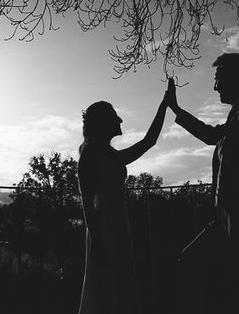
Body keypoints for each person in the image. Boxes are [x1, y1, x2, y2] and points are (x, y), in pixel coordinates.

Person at [165, 53, 239, 313]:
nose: (214, 86)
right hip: (229, 219)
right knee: (196, 265)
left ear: (236, 79)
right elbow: (213, 136)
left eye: (218, 79)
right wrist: (175, 109)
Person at [77, 95, 167, 314]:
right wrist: (97, 241)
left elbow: (149, 141)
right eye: (115, 117)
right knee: (107, 283)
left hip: (118, 222)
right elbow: (87, 201)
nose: (120, 121)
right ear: (103, 123)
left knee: (120, 281)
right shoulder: (89, 153)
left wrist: (164, 105)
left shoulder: (109, 153)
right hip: (103, 226)